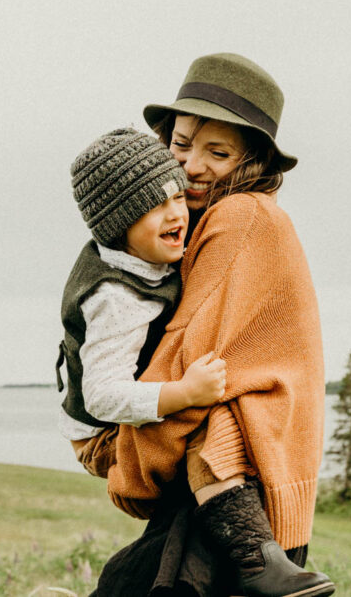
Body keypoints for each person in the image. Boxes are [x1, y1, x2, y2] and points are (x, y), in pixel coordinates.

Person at [96, 53, 333, 597]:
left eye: (217, 152)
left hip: (232, 492)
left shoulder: (240, 215)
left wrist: (127, 459)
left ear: (252, 158)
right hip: (247, 495)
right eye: (180, 144)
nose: (191, 165)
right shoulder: (199, 225)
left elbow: (192, 357)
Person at [56, 128, 228, 476]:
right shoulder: (115, 297)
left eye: (178, 196)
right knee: (210, 435)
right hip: (103, 438)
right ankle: (242, 529)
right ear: (119, 227)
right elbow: (102, 397)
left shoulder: (146, 252)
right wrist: (185, 393)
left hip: (124, 415)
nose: (176, 214)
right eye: (154, 206)